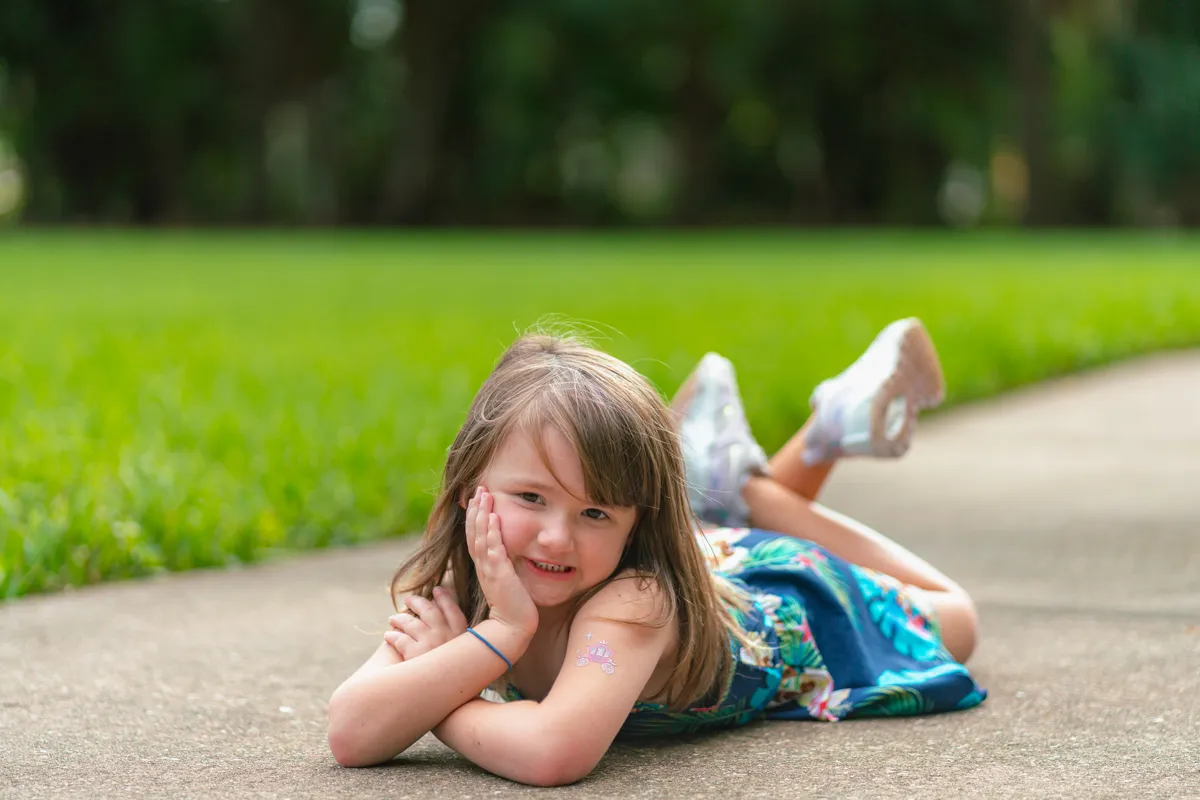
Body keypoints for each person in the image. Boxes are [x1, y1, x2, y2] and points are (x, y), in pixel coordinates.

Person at [326, 321, 986, 785]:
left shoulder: (633, 602)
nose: (557, 537)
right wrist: (482, 645)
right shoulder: (468, 576)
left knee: (957, 619)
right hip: (709, 556)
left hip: (797, 609)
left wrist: (478, 654)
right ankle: (747, 469)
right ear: (474, 490)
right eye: (531, 497)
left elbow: (555, 753)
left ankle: (771, 472)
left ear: (638, 523)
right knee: (712, 523)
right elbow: (352, 732)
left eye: (594, 512)